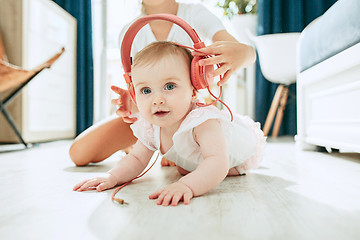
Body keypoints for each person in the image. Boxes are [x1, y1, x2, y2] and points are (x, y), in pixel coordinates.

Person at [73, 41, 265, 206]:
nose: (157, 99)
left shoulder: (203, 122)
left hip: (238, 150)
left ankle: (215, 169)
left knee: (211, 167)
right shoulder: (150, 126)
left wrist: (187, 185)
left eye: (169, 86)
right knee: (186, 167)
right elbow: (136, 160)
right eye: (146, 91)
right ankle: (193, 167)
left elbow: (218, 162)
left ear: (193, 91)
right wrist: (112, 176)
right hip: (202, 155)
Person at [69, 0, 256, 167]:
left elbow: (244, 53)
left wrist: (245, 53)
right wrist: (134, 99)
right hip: (152, 117)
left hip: (192, 116)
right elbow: (138, 90)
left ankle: (164, 147)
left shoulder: (196, 14)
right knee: (78, 152)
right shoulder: (129, 32)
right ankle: (150, 145)